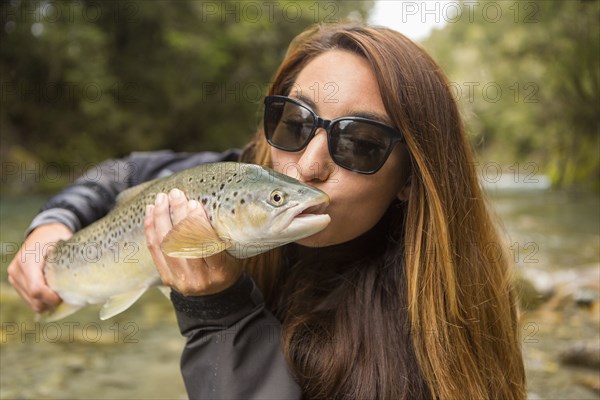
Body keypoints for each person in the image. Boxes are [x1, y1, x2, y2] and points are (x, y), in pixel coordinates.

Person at [8, 23, 526, 399]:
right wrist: (49, 228)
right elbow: (121, 174)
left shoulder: (432, 337)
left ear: (412, 180)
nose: (307, 165)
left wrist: (219, 313)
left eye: (361, 143)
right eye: (294, 122)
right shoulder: (244, 178)